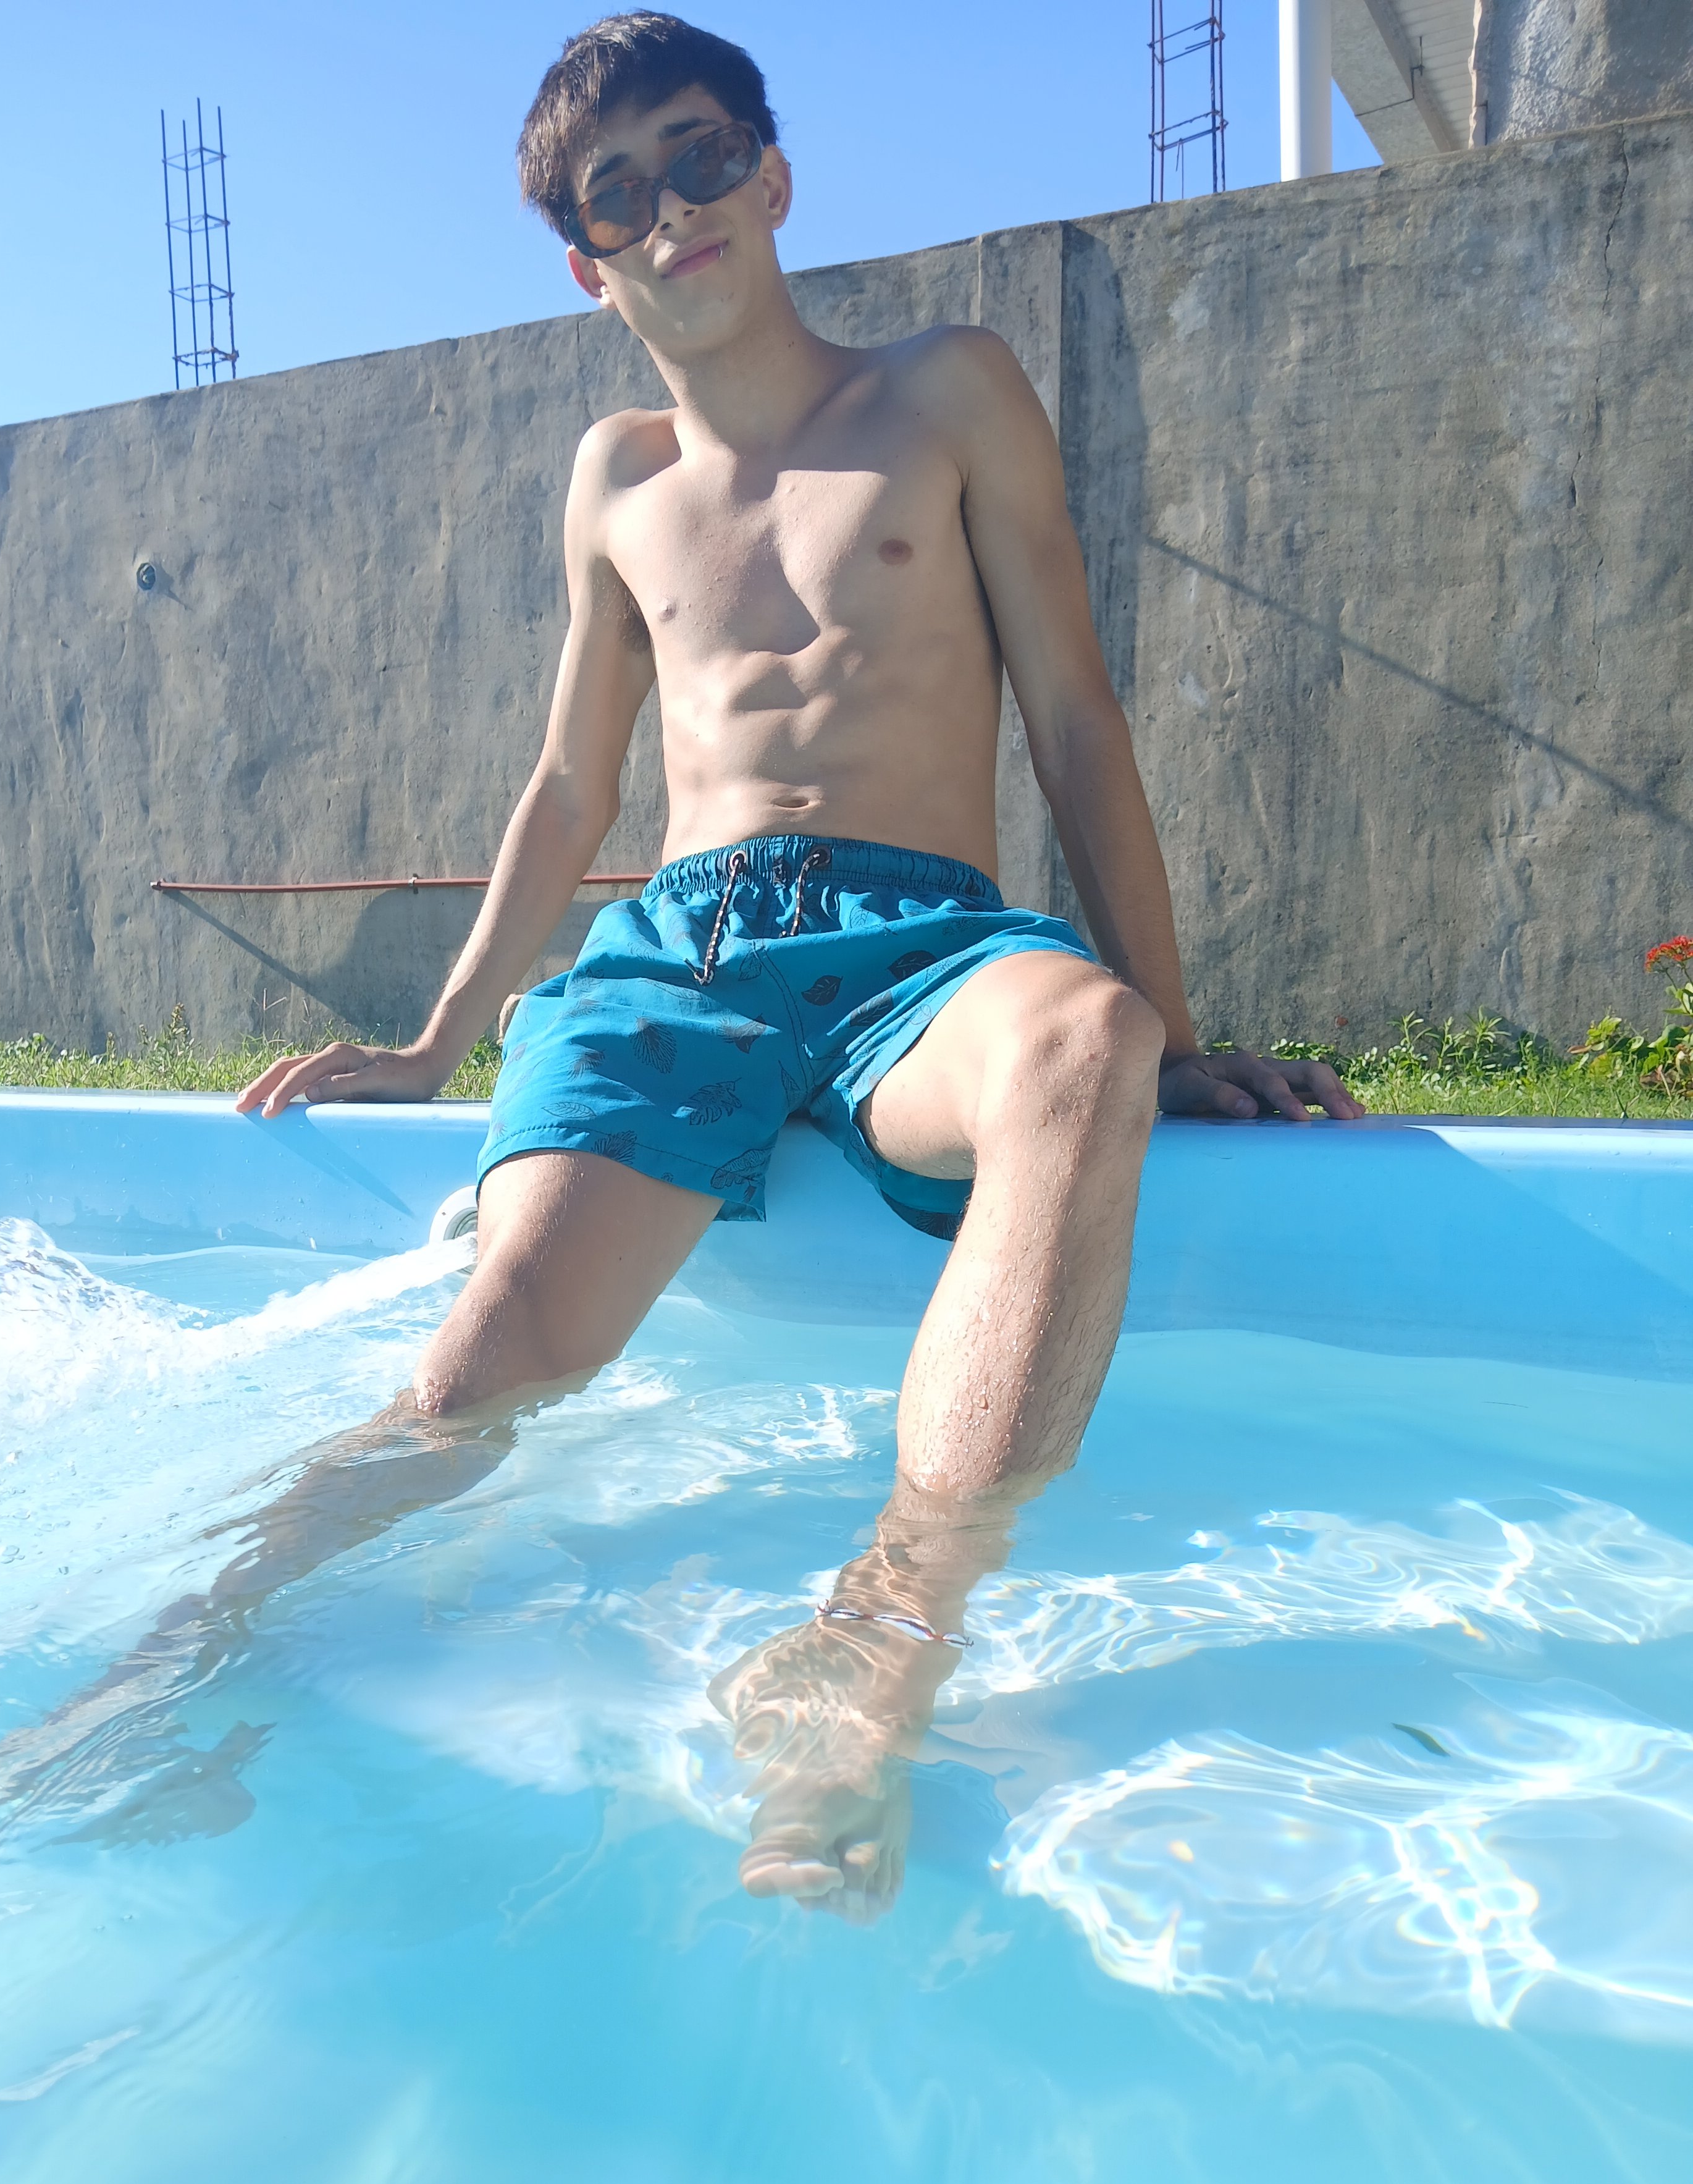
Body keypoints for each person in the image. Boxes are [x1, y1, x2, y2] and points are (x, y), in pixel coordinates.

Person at [212, 14, 1357, 1918]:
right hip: (685, 945)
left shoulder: (948, 390)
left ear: (771, 175)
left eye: (700, 154)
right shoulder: (614, 477)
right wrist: (427, 1043)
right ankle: (201, 1658)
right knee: (487, 1372)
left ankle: (872, 1650)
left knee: (1083, 1045)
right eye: (619, 193)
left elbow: (1074, 719)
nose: (672, 207)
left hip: (925, 941)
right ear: (585, 263)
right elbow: (567, 784)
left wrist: (1173, 1027)